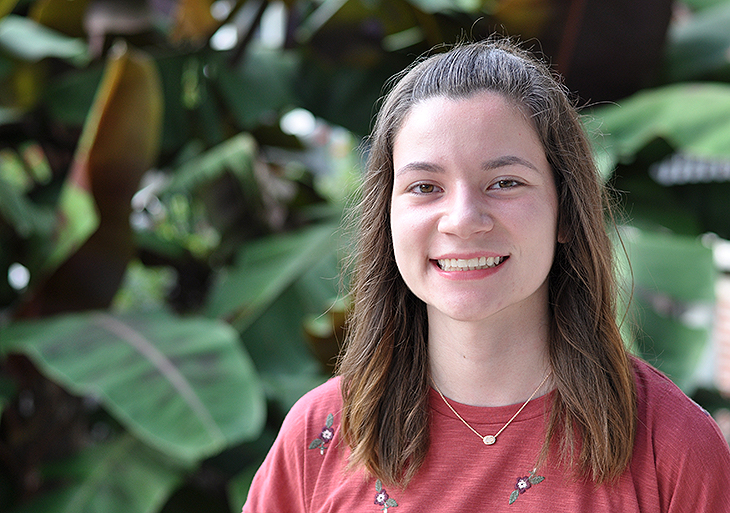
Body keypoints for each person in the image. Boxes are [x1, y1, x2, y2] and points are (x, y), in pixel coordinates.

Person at [242, 38, 730, 512]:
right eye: (425, 186)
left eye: (504, 183)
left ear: (565, 211)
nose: (462, 219)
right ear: (388, 215)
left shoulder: (670, 445)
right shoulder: (319, 436)